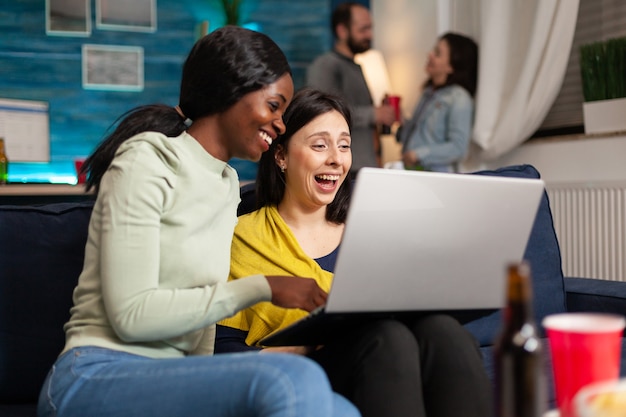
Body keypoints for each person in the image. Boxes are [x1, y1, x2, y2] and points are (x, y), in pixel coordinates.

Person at [37, 26, 360, 417]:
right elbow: (131, 318)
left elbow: (202, 332)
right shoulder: (146, 160)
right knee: (290, 378)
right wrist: (264, 288)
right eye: (274, 107)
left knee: (341, 409)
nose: (279, 126)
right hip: (98, 369)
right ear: (233, 92)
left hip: (176, 377)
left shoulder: (226, 187)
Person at [216, 88, 493, 417]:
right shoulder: (243, 237)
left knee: (445, 331)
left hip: (391, 357)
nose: (336, 158)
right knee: (386, 338)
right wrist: (293, 348)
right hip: (302, 369)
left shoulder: (372, 230)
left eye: (344, 145)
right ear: (281, 156)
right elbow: (223, 351)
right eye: (320, 145)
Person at [306, 2, 395, 177]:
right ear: (342, 31)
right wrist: (374, 114)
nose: (369, 35)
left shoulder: (356, 66)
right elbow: (322, 114)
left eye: (370, 28)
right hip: (343, 169)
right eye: (363, 29)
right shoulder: (325, 66)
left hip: (363, 166)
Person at [398, 32, 479, 172]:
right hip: (414, 172)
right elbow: (411, 137)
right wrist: (399, 119)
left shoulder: (459, 98)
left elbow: (458, 148)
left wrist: (418, 154)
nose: (430, 54)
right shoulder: (427, 93)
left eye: (437, 53)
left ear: (451, 66)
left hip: (435, 177)